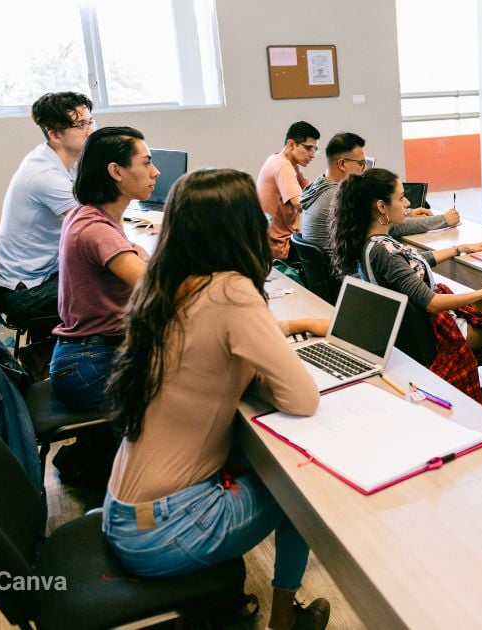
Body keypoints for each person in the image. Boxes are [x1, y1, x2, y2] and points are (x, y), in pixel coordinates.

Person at [102, 168, 331, 630]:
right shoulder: (231, 289)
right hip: (168, 528)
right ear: (242, 225)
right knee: (303, 487)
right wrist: (266, 371)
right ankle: (285, 618)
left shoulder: (165, 282)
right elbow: (303, 398)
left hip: (125, 513)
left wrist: (261, 357)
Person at [329, 168, 482, 402]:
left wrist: (459, 249)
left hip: (414, 330)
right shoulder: (385, 253)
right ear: (381, 206)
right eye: (401, 198)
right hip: (434, 334)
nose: (408, 203)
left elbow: (413, 265)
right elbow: (432, 303)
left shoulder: (370, 241)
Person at [50, 126, 156, 412]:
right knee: (203, 386)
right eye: (146, 163)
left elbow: (139, 258)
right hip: (91, 367)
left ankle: (91, 452)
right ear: (116, 171)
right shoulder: (98, 230)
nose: (156, 172)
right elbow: (159, 288)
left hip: (83, 356)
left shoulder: (87, 214)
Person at [0, 91, 94, 328]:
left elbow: (92, 204)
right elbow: (90, 227)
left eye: (90, 121)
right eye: (81, 125)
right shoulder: (45, 175)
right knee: (116, 287)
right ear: (55, 134)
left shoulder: (63, 160)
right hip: (27, 293)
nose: (90, 130)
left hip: (45, 273)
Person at [299, 131, 460, 251]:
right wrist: (443, 220)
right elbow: (389, 226)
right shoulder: (338, 198)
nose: (365, 170)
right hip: (350, 280)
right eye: (362, 163)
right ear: (342, 164)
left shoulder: (319, 185)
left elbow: (377, 219)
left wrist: (408, 213)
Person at [258, 121, 320, 262]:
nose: (313, 155)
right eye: (309, 148)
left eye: (315, 150)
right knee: (328, 256)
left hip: (271, 242)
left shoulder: (281, 159)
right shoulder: (283, 167)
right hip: (279, 248)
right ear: (292, 144)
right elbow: (300, 203)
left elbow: (310, 189)